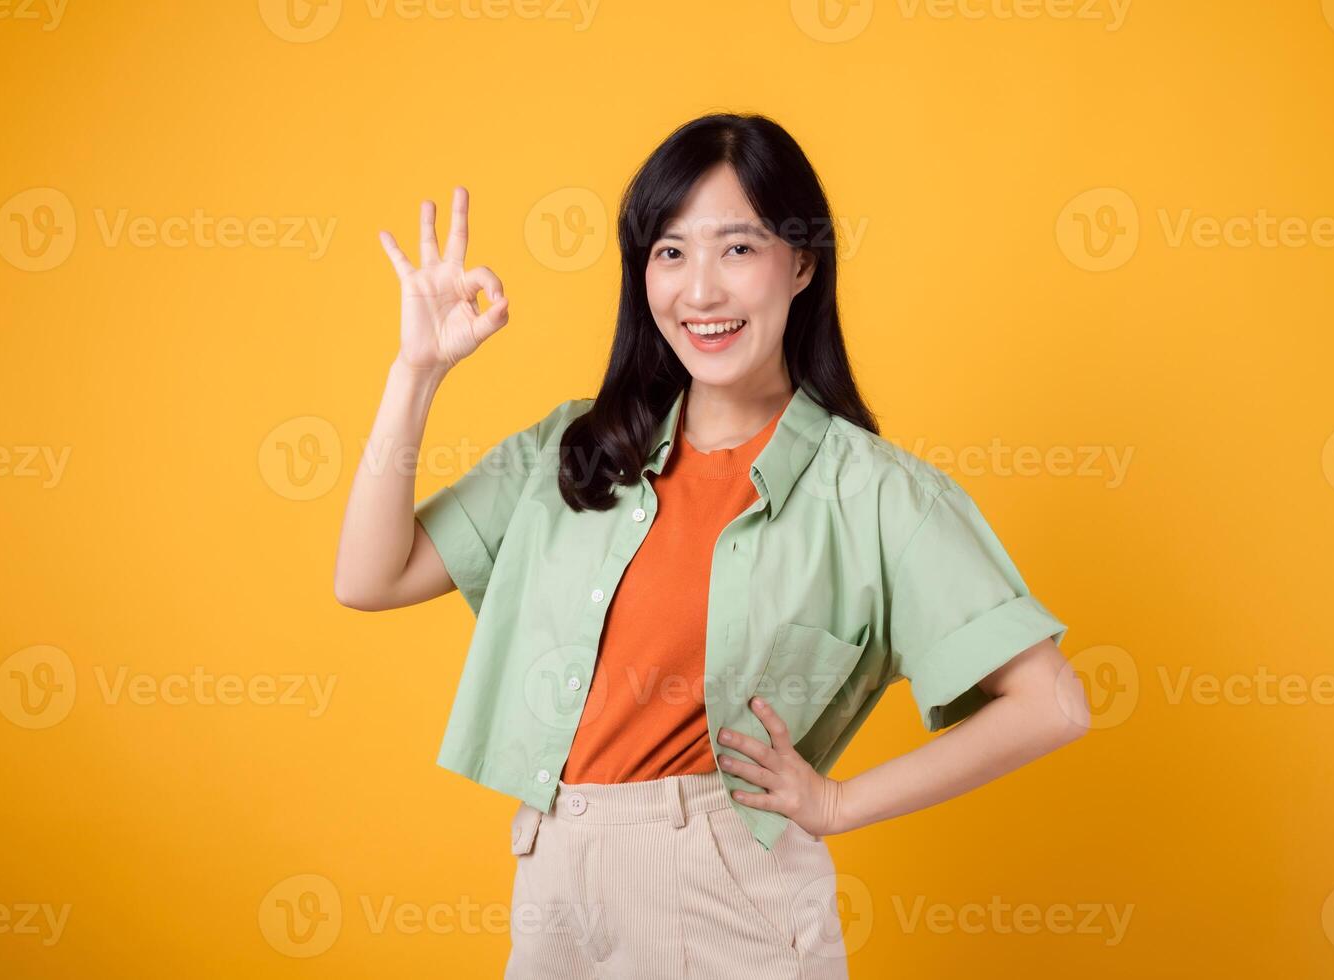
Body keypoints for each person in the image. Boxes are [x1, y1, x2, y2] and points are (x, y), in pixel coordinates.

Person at [333, 112, 1089, 980]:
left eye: (737, 249)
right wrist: (416, 373)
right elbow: (368, 576)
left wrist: (837, 803)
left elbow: (1053, 703)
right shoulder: (577, 449)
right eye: (669, 252)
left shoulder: (874, 492)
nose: (700, 292)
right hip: (555, 874)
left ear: (802, 262)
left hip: (729, 893)